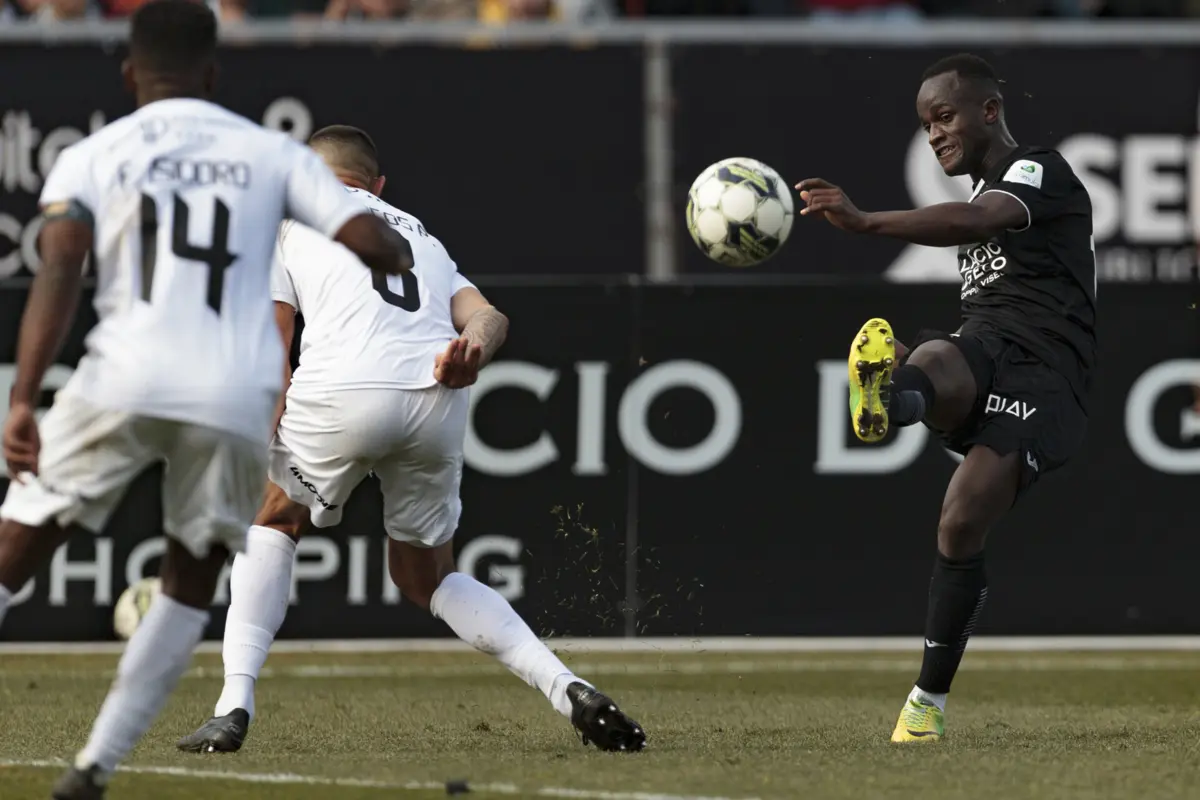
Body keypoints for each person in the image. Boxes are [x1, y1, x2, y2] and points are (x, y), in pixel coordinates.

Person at [0, 3, 415, 797]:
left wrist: (23, 399)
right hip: (232, 394)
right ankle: (96, 765)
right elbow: (371, 241)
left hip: (123, 372)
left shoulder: (95, 152)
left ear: (129, 74)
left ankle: (98, 757)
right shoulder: (267, 153)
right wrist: (392, 247)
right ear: (214, 74)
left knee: (17, 545)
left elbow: (57, 270)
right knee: (190, 581)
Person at [175, 125, 646, 756]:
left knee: (274, 517)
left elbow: (272, 351)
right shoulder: (420, 233)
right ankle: (567, 687)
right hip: (434, 396)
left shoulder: (288, 217)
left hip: (340, 390)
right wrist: (472, 352)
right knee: (427, 577)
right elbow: (488, 317)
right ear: (379, 185)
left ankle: (232, 706)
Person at [795, 53, 1096, 742]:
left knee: (959, 522)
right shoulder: (985, 187)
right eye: (924, 124)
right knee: (935, 354)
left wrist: (867, 222)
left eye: (943, 116)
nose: (933, 134)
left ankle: (926, 701)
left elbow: (979, 220)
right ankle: (892, 400)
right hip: (986, 344)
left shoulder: (1037, 171)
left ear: (989, 111)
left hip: (1048, 376)